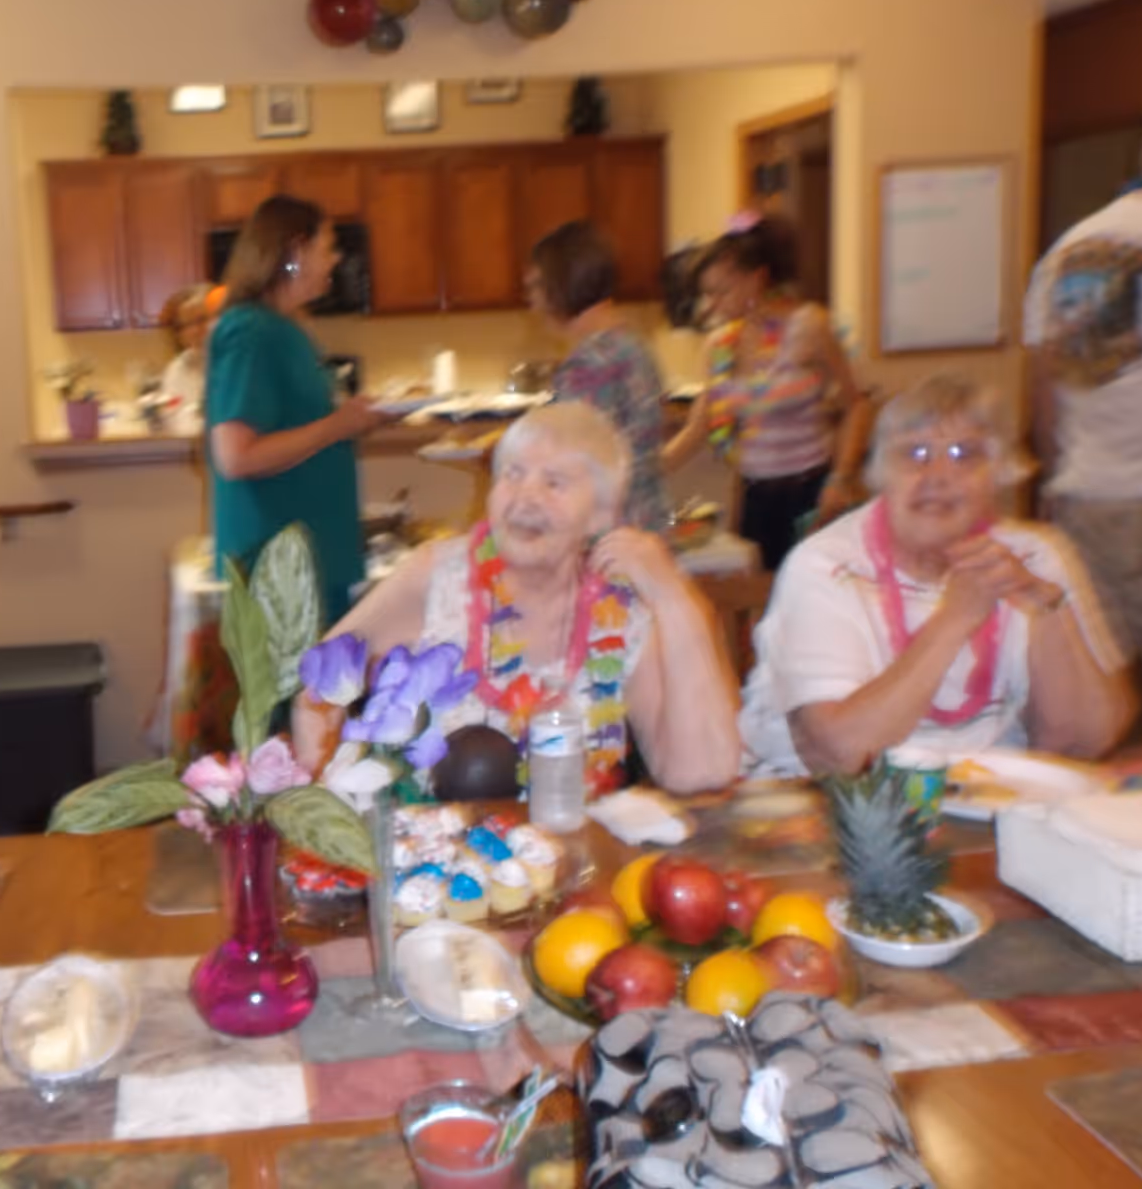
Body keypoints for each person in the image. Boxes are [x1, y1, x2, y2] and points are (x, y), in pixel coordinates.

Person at [299, 402, 740, 797]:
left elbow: (700, 773)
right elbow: (316, 693)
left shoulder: (623, 615)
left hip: (571, 868)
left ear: (602, 515)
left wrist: (673, 594)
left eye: (555, 482)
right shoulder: (436, 577)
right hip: (431, 871)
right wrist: (334, 813)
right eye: (512, 474)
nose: (527, 496)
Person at [739, 376, 1135, 778]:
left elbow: (1085, 742)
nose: (940, 475)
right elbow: (841, 756)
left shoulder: (1036, 556)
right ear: (881, 474)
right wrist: (956, 618)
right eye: (916, 452)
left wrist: (1047, 607)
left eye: (966, 453)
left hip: (989, 809)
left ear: (997, 474)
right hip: (827, 809)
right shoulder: (826, 566)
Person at [1025, 70, 1142, 737]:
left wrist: (1055, 480)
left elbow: (1045, 391)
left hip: (1087, 498)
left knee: (1095, 678)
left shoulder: (1068, 249)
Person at [207, 196, 381, 626]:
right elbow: (236, 455)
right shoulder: (250, 331)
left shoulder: (286, 330)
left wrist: (348, 422)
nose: (335, 260)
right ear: (295, 251)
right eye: (328, 247)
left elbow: (299, 427)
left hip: (310, 557)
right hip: (278, 567)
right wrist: (338, 425)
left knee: (317, 693)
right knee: (296, 693)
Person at [663, 214, 871, 570]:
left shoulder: (809, 326)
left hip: (810, 496)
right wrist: (639, 474)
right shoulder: (719, 346)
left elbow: (858, 406)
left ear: (756, 279)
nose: (711, 305)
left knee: (811, 598)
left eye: (720, 291)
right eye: (706, 294)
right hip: (754, 497)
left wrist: (841, 478)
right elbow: (698, 428)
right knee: (760, 609)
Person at [529, 220, 670, 533]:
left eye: (537, 286)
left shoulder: (589, 365)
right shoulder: (633, 345)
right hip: (646, 527)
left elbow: (573, 466)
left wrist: (513, 463)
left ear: (563, 284)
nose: (533, 301)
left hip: (607, 539)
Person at [156, 283, 212, 427]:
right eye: (185, 325)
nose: (194, 331)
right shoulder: (177, 369)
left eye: (201, 320)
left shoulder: (241, 364)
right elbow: (171, 419)